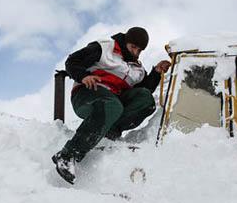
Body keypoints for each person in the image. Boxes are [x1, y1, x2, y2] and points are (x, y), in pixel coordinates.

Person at [52, 27, 171, 184]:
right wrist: (84, 76)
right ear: (125, 42)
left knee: (146, 99)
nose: (136, 53)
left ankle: (110, 132)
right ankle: (68, 155)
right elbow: (72, 61)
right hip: (88, 94)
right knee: (112, 105)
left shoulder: (137, 69)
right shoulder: (104, 48)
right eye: (133, 47)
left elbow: (142, 91)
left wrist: (156, 72)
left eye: (139, 50)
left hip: (114, 102)